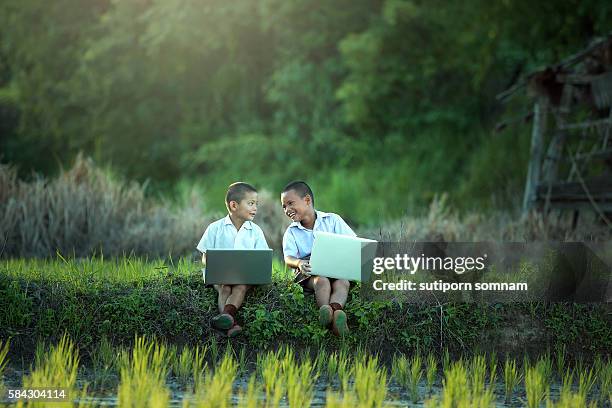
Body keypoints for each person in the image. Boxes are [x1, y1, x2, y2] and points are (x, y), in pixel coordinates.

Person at [280, 180, 356, 336]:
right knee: (321, 280)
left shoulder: (332, 220)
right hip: (308, 272)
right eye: (284, 207)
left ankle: (335, 313)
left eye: (290, 203)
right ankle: (326, 313)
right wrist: (299, 263)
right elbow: (288, 258)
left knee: (343, 283)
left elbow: (353, 242)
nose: (287, 209)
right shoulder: (291, 232)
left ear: (307, 200)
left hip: (335, 267)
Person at [196, 182, 269, 337]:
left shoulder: (255, 231)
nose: (255, 208)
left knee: (240, 286)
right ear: (234, 205)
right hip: (221, 275)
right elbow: (205, 256)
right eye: (250, 204)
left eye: (256, 204)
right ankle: (231, 323)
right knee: (224, 287)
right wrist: (213, 265)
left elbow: (262, 257)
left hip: (245, 276)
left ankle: (227, 319)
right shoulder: (215, 228)